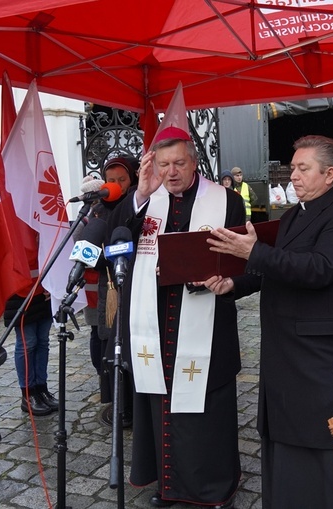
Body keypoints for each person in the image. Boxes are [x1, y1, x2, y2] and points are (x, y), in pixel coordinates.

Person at [206, 135, 333, 509]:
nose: (293, 175)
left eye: (303, 169)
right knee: (284, 442)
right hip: (285, 353)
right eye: (293, 167)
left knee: (322, 444)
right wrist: (235, 282)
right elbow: (273, 271)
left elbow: (318, 270)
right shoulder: (296, 214)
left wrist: (255, 253)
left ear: (329, 174)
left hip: (320, 356)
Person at [106, 127, 244, 508]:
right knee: (160, 403)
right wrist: (140, 193)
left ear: (194, 162)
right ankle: (168, 487)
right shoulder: (146, 200)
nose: (171, 172)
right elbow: (114, 236)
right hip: (155, 320)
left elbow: (240, 258)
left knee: (206, 410)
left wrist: (225, 278)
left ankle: (213, 489)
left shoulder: (226, 200)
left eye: (179, 163)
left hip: (205, 321)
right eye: (163, 164)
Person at [94, 157, 138, 428]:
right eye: (111, 179)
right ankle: (116, 402)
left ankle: (133, 405)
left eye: (122, 179)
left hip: (134, 287)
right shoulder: (97, 210)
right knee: (106, 345)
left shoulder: (138, 208)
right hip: (107, 290)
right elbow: (89, 253)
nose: (117, 185)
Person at [4, 253, 55, 416]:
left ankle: (41, 388)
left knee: (43, 341)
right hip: (20, 292)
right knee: (28, 343)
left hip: (43, 291)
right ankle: (28, 394)